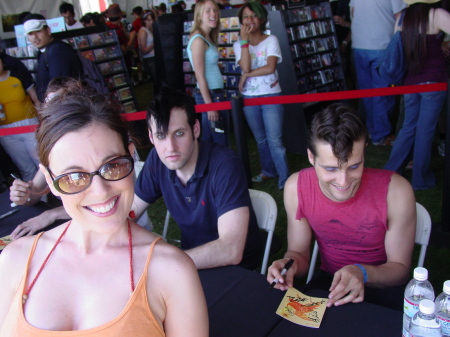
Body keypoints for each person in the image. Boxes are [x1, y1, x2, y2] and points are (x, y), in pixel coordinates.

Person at [0, 82, 208, 336]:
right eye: (74, 177)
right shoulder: (14, 260)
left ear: (131, 155)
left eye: (112, 166)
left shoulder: (171, 271)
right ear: (50, 179)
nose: (100, 191)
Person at [267, 103, 416, 311]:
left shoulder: (396, 191)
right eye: (330, 169)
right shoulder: (296, 187)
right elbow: (299, 253)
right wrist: (287, 265)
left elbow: (400, 270)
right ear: (311, 157)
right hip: (329, 284)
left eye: (354, 166)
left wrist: (361, 273)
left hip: (381, 287)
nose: (344, 181)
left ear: (364, 152)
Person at [133, 87, 262, 270]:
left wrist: (166, 263)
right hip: (190, 263)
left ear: (195, 129)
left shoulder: (224, 165)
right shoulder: (157, 159)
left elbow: (231, 250)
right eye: (161, 136)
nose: (170, 147)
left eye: (179, 133)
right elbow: (131, 211)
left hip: (238, 270)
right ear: (151, 137)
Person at [385, 0, 450, 190]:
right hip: (434, 80)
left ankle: (392, 170)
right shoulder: (437, 14)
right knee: (425, 130)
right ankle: (421, 179)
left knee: (408, 127)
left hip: (410, 81)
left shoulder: (404, 16)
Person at [233, 1, 289, 190]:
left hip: (271, 96)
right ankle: (268, 171)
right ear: (241, 21)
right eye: (246, 16)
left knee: (275, 141)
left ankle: (284, 178)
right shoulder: (239, 44)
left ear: (262, 18)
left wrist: (246, 75)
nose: (250, 20)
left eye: (254, 15)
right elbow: (246, 65)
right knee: (261, 140)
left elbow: (270, 67)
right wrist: (244, 42)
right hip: (250, 98)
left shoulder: (271, 39)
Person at [349, 0, 407, 146]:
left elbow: (353, 13)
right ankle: (381, 135)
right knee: (383, 94)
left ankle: (370, 130)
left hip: (359, 44)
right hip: (382, 44)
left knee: (367, 92)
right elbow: (400, 18)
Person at [187, 0, 229, 146]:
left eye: (215, 10)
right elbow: (199, 75)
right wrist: (209, 105)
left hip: (213, 94)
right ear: (199, 15)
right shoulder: (198, 40)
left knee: (211, 139)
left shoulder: (206, 37)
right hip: (210, 95)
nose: (213, 14)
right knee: (218, 140)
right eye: (208, 11)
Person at [23, 14, 82, 102]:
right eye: (30, 34)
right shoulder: (43, 51)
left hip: (65, 107)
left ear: (48, 30)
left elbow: (60, 87)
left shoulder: (57, 50)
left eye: (38, 31)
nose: (35, 37)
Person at [0, 53, 40, 182]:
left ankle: (59, 196)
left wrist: (43, 120)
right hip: (6, 131)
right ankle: (38, 200)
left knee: (42, 162)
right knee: (26, 168)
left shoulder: (16, 75)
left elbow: (36, 100)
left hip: (29, 125)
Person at [138, 10, 157, 91]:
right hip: (149, 60)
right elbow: (143, 51)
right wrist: (155, 43)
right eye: (149, 20)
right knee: (157, 81)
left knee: (157, 82)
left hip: (153, 58)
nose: (151, 21)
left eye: (152, 19)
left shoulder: (150, 30)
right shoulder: (143, 31)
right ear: (144, 20)